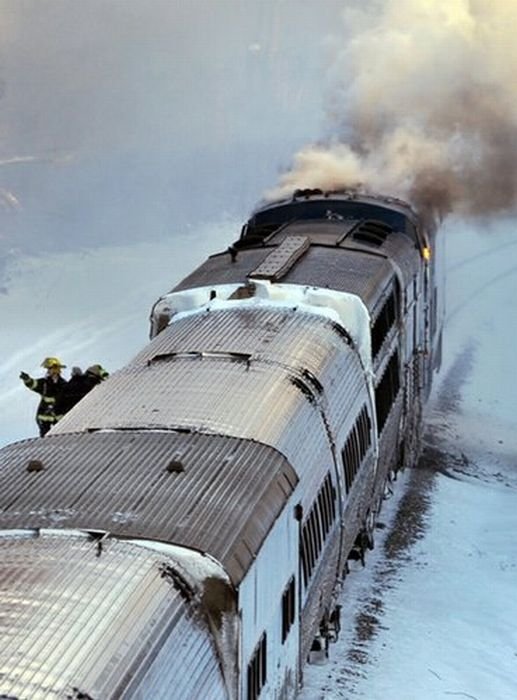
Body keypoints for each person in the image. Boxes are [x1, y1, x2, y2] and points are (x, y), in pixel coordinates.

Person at [20, 357, 67, 436]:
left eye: (51, 369)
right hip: (44, 416)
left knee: (60, 436)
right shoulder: (44, 383)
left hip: (58, 417)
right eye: (49, 369)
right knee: (45, 437)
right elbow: (34, 384)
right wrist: (27, 379)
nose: (49, 371)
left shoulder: (63, 384)